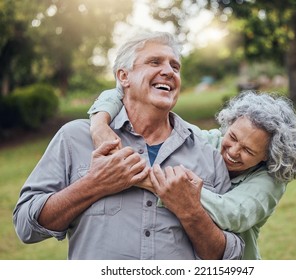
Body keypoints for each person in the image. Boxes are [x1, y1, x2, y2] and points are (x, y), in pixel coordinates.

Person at [13, 31, 244, 260]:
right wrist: (94, 185)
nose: (168, 71)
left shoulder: (207, 154)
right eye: (155, 62)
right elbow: (25, 226)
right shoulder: (74, 138)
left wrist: (191, 212)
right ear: (124, 77)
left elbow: (230, 257)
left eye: (175, 67)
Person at [88, 89, 296, 259]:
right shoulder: (206, 141)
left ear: (267, 156)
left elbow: (232, 214)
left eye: (248, 150)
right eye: (232, 137)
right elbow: (120, 89)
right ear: (228, 124)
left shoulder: (271, 179)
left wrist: (150, 181)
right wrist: (99, 124)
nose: (232, 151)